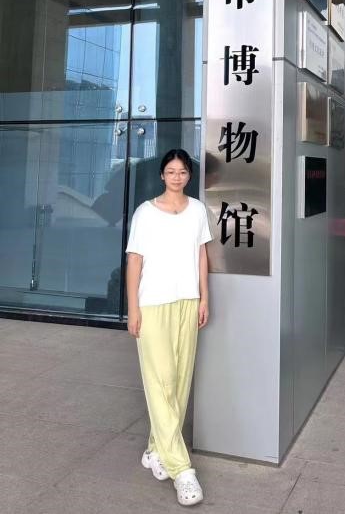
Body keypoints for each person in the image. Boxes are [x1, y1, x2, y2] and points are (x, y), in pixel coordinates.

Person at [126, 148, 212, 507]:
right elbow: (135, 260)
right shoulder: (145, 213)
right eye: (171, 171)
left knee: (178, 381)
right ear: (162, 175)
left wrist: (204, 297)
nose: (177, 177)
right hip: (152, 303)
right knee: (160, 380)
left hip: (187, 302)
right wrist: (133, 309)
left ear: (189, 175)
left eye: (183, 172)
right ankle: (182, 469)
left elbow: (201, 255)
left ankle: (155, 449)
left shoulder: (197, 211)